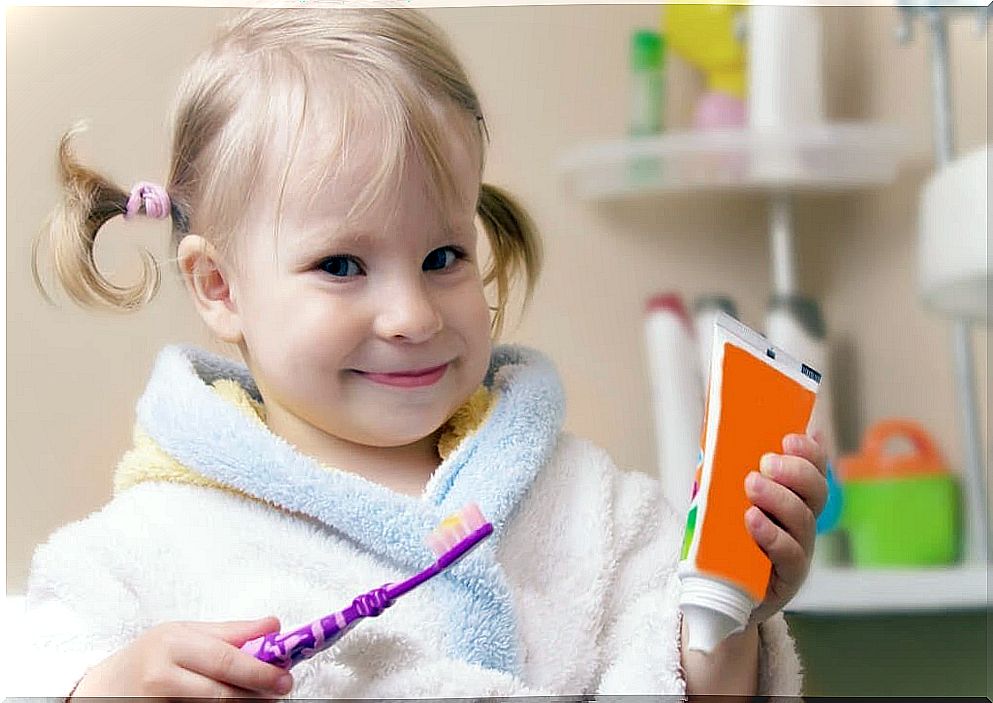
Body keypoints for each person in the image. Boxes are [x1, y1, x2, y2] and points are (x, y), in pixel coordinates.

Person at [20, 8, 827, 698]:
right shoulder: (150, 542)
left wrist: (725, 622)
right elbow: (37, 667)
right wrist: (104, 686)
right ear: (219, 286)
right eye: (341, 266)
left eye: (443, 256)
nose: (410, 314)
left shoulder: (596, 511)